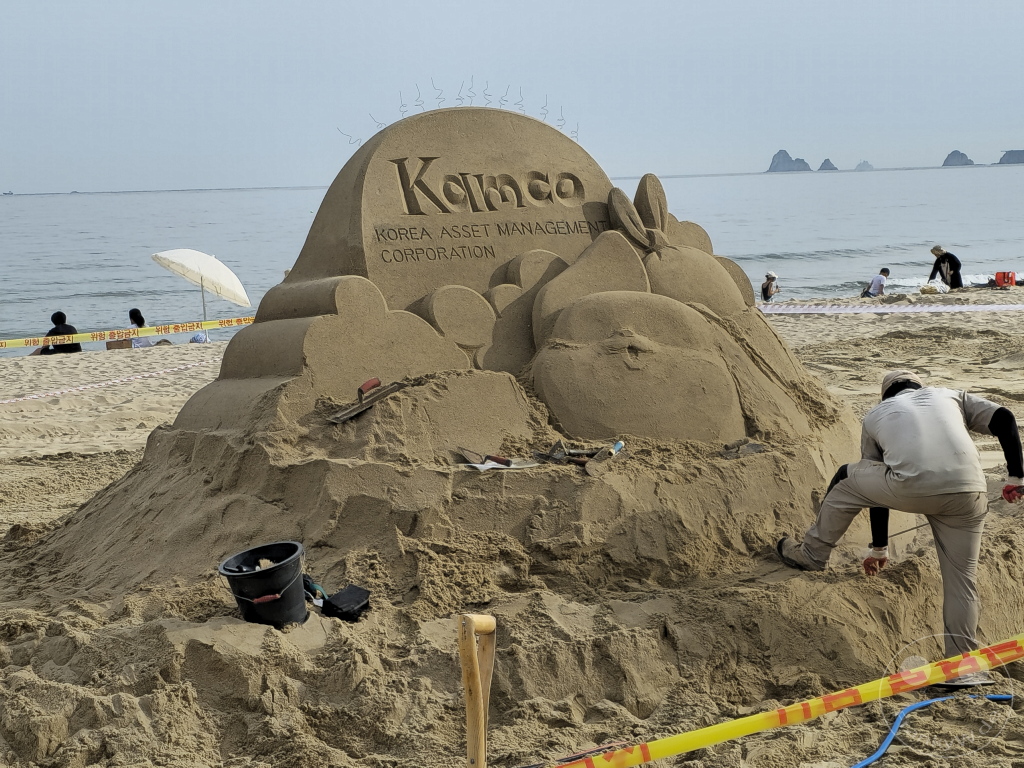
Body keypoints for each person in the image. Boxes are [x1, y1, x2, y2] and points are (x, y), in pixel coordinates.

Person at [776, 370, 1024, 686]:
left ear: (886, 394)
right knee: (962, 580)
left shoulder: (876, 414)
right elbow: (1004, 417)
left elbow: (874, 481)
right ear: (919, 387)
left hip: (912, 487)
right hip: (970, 492)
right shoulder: (949, 395)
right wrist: (1016, 478)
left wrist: (879, 547)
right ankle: (965, 667)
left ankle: (811, 554)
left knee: (845, 478)